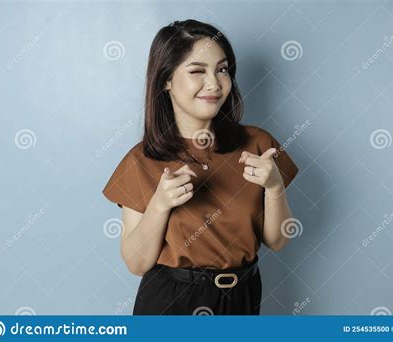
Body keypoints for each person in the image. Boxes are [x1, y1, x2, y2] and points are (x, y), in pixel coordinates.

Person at [102, 19, 299, 315]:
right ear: (166, 80)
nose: (214, 83)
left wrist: (274, 187)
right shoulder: (141, 159)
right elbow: (136, 263)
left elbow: (278, 240)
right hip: (171, 303)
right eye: (197, 71)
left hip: (242, 299)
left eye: (222, 69)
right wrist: (160, 204)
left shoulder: (260, 145)